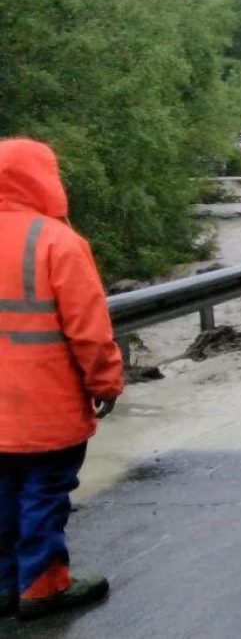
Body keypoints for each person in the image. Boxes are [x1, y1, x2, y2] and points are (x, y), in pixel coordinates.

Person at [0, 138, 124, 620]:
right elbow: (89, 331)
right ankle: (43, 586)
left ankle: (7, 583)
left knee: (3, 496)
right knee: (43, 494)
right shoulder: (56, 242)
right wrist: (106, 384)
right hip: (45, 406)